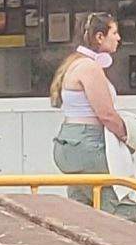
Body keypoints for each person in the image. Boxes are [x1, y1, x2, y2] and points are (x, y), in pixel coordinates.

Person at [51, 12, 129, 193]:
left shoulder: (75, 64)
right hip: (89, 142)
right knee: (120, 207)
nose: (119, 38)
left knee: (83, 209)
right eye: (114, 33)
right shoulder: (90, 67)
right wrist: (128, 136)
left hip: (71, 141)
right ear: (100, 37)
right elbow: (106, 114)